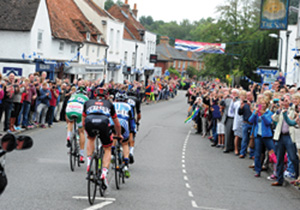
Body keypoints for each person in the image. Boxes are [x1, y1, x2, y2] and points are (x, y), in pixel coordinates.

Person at [83, 87, 123, 189]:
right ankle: (104, 173)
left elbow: (83, 120)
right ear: (106, 96)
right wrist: (119, 134)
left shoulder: (88, 102)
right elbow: (116, 123)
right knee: (107, 148)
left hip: (89, 120)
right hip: (103, 122)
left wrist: (87, 131)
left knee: (91, 138)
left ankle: (89, 163)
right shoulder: (109, 104)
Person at [271, 94, 299, 186]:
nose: (284, 101)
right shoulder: (280, 110)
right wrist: (279, 109)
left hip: (289, 136)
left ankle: (297, 177)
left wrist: (288, 106)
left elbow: (291, 120)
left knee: (293, 158)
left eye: (286, 100)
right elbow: (274, 118)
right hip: (280, 136)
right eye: (284, 100)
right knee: (279, 158)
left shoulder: (293, 110)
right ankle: (279, 179)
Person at [248, 97, 275, 177]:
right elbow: (250, 120)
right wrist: (254, 113)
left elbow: (268, 122)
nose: (262, 105)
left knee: (272, 152)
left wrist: (262, 115)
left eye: (264, 104)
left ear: (267, 105)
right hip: (258, 135)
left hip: (267, 135)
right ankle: (257, 170)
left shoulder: (269, 113)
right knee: (257, 153)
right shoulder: (257, 112)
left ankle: (275, 170)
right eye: (261, 104)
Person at [110, 91, 134, 178]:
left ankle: (112, 152)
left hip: (113, 123)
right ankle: (126, 162)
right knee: (125, 143)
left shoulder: (112, 104)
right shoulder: (128, 106)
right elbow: (131, 120)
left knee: (113, 135)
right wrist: (132, 130)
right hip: (124, 124)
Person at [65, 85, 89, 163]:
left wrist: (68, 121)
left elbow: (66, 109)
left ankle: (68, 136)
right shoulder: (86, 98)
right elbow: (87, 112)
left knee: (70, 122)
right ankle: (81, 155)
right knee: (81, 132)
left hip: (70, 109)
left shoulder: (72, 96)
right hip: (79, 111)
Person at [127, 89, 141, 164]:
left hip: (120, 117)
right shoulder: (136, 100)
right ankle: (131, 152)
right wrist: (137, 121)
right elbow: (139, 114)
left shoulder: (124, 98)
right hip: (130, 118)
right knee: (131, 133)